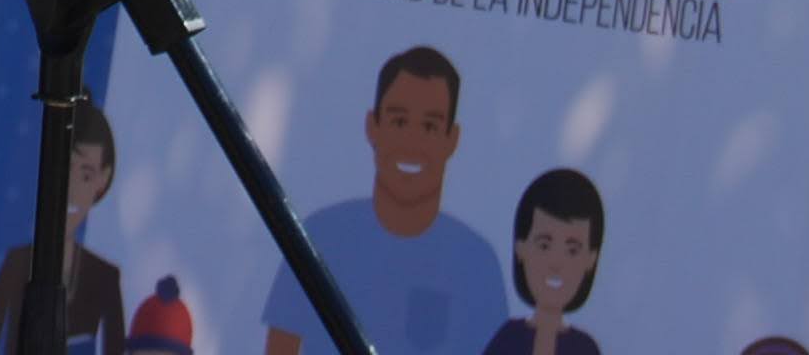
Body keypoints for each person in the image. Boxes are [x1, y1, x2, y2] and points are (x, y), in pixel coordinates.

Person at [259, 46, 510, 355]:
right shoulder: (318, 238)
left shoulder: (476, 263)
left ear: (452, 139)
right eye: (399, 121)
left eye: (430, 126)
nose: (412, 142)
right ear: (372, 126)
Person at [0, 98, 130, 355]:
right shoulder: (17, 263)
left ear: (103, 178)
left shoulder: (105, 277)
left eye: (86, 175)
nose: (71, 188)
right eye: (63, 168)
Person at [476, 167, 607, 355]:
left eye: (572, 250)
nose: (556, 264)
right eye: (544, 245)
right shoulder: (509, 339)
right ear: (521, 248)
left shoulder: (584, 348)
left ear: (590, 260)